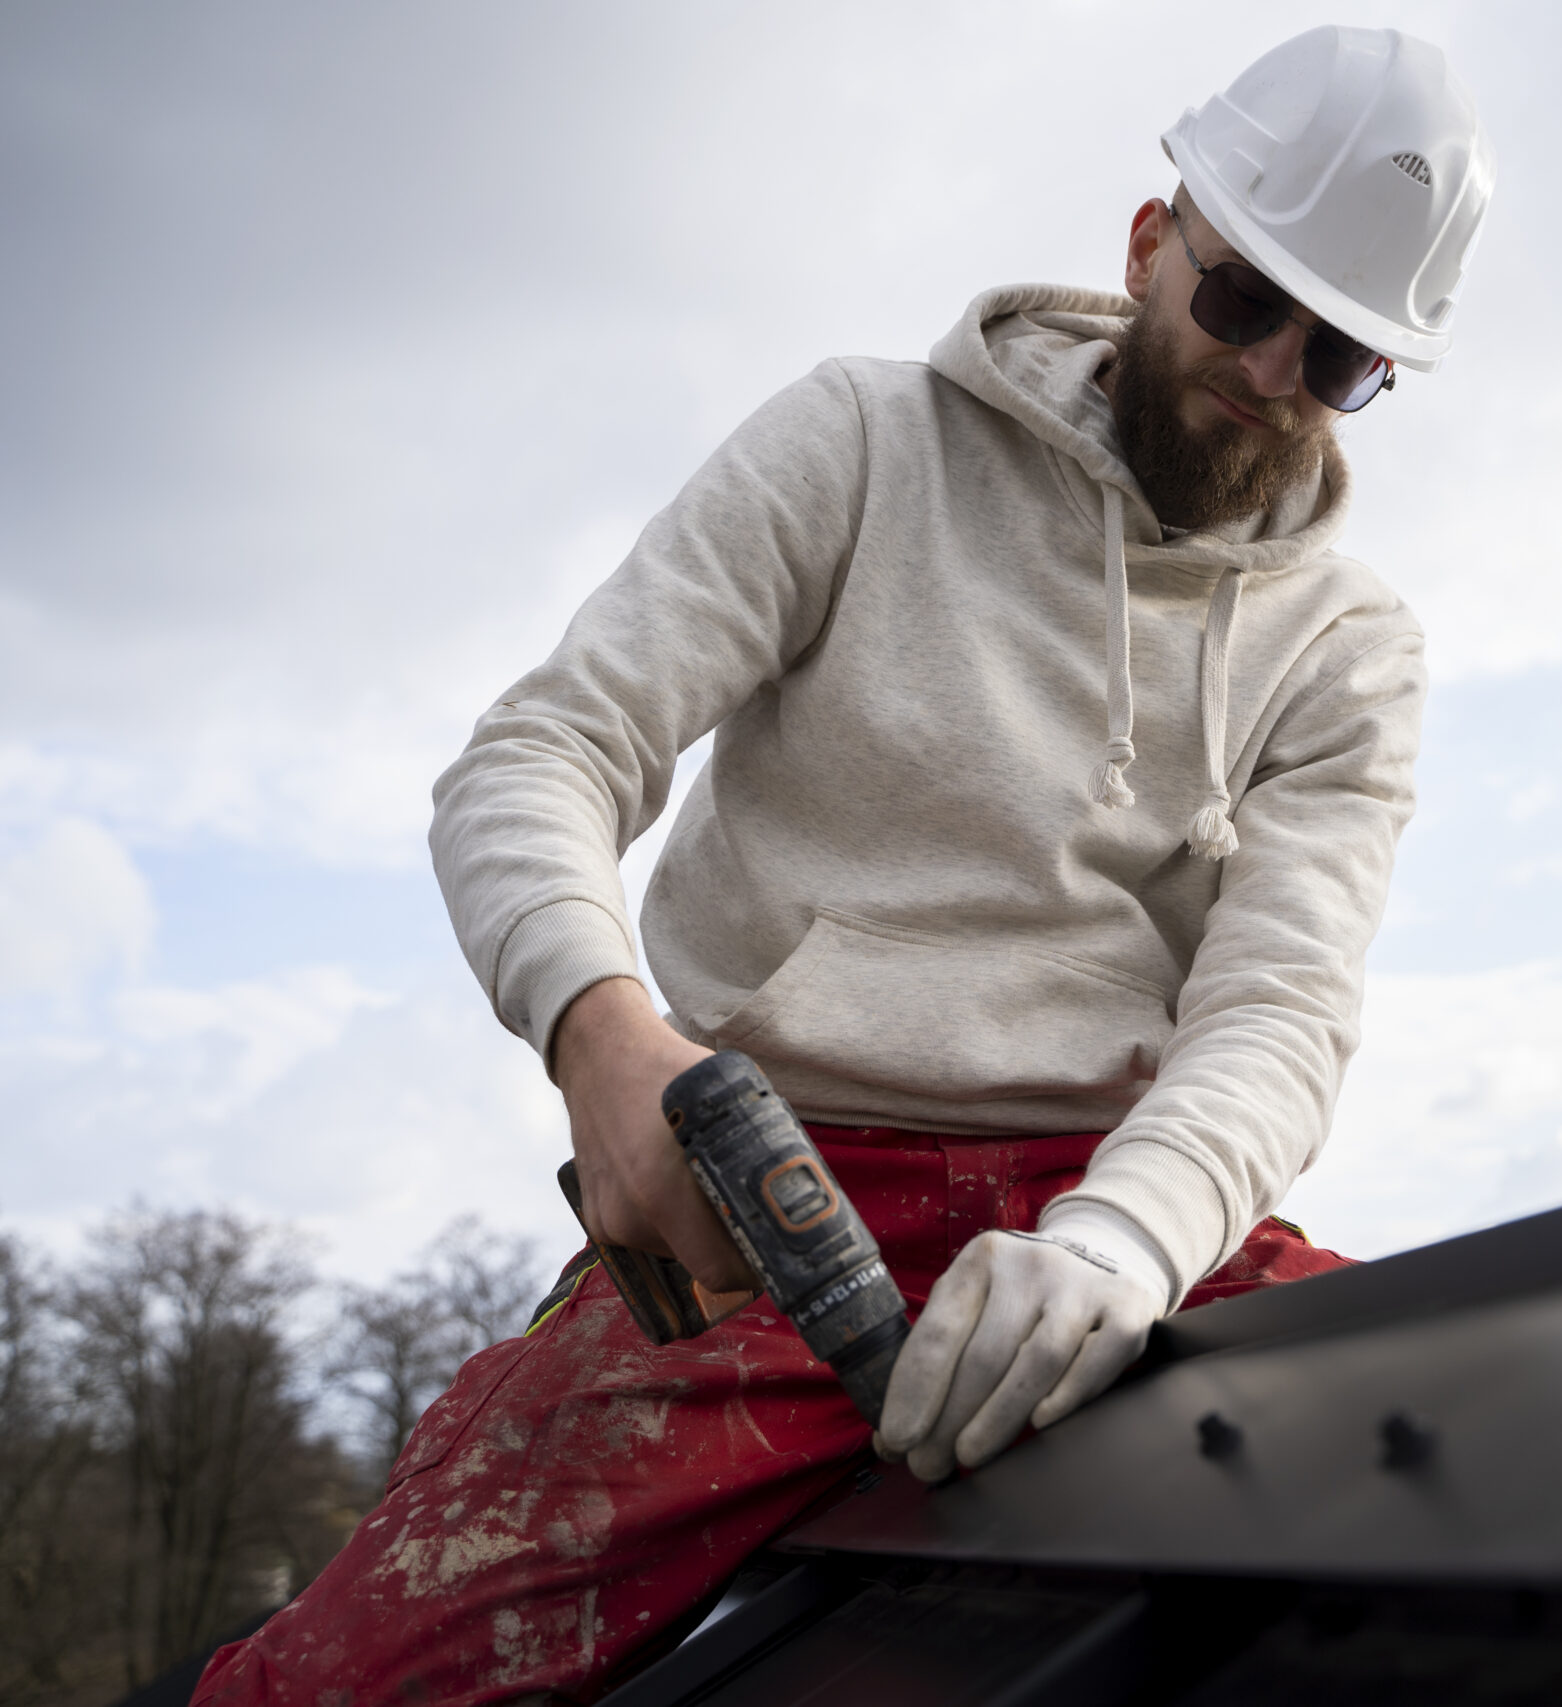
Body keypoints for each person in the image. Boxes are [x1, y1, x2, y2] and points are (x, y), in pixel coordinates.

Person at [195, 23, 1492, 1705]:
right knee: (344, 1686)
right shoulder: (861, 443)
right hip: (772, 1226)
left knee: (1492, 1519)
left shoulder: (1352, 649)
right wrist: (606, 1042)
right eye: (1247, 302)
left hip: (1116, 1224)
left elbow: (1282, 1014)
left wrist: (1118, 1250)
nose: (1273, 376)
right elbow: (541, 756)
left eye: (1341, 363)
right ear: (1149, 244)